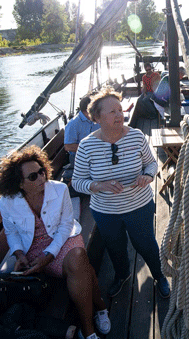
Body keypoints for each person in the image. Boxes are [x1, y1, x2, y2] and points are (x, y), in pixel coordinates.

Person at [0, 145, 110, 339]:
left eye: (41, 171)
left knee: (78, 257)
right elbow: (11, 231)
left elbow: (66, 225)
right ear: (19, 183)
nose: (41, 177)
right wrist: (19, 253)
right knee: (86, 270)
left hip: (62, 240)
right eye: (33, 176)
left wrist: (49, 255)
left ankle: (88, 331)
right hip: (31, 249)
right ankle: (100, 306)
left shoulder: (59, 190)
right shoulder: (7, 201)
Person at [71, 87, 170, 299]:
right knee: (115, 248)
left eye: (120, 109)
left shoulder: (136, 137)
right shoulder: (87, 147)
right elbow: (77, 182)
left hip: (139, 206)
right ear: (96, 117)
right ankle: (122, 275)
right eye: (112, 112)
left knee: (146, 245)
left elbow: (151, 164)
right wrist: (98, 186)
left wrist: (148, 176)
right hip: (106, 212)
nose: (120, 115)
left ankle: (160, 276)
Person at [64, 95, 100, 166]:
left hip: (96, 154)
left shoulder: (97, 118)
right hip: (79, 157)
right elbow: (68, 146)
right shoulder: (73, 124)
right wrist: (90, 148)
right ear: (87, 111)